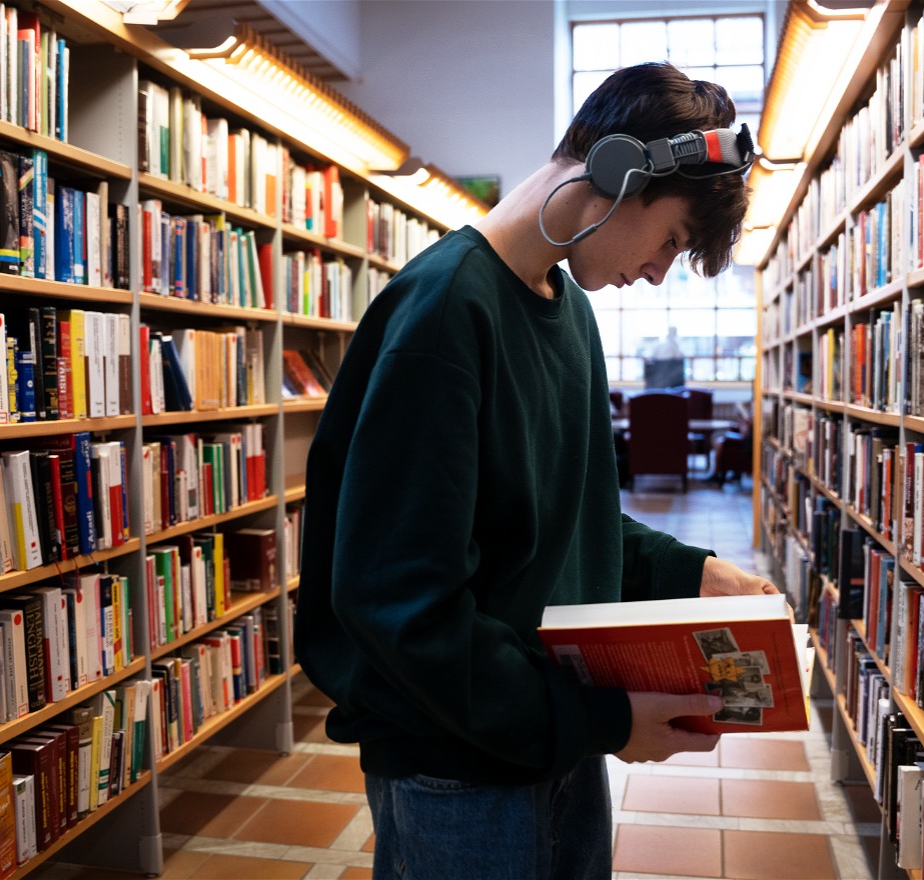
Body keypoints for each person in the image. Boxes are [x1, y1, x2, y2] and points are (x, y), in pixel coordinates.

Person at [295, 62, 772, 879]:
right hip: (455, 772)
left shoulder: (570, 311)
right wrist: (604, 719)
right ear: (619, 176)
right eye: (671, 240)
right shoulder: (445, 316)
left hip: (549, 742)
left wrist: (692, 572)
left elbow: (567, 517)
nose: (659, 272)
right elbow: (401, 604)